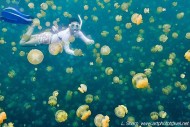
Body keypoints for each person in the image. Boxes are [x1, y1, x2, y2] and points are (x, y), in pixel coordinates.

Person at [20, 15, 94, 56]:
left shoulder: (78, 32)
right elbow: (67, 50)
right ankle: (32, 25)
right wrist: (74, 53)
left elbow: (86, 39)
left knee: (27, 38)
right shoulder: (66, 35)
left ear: (79, 26)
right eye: (73, 25)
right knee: (22, 43)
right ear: (69, 26)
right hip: (45, 39)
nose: (75, 28)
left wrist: (90, 41)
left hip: (48, 35)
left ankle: (30, 23)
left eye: (77, 26)